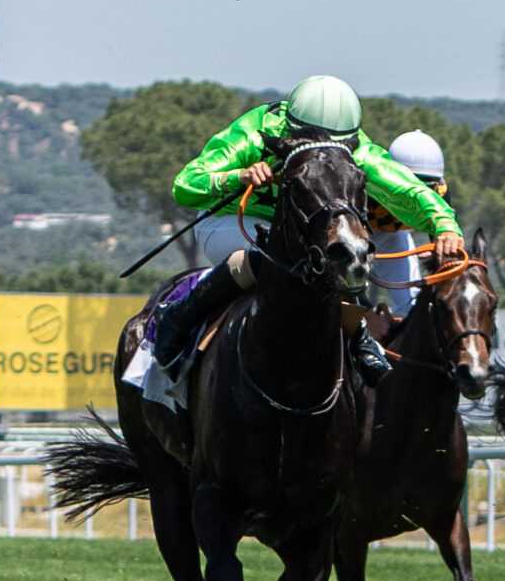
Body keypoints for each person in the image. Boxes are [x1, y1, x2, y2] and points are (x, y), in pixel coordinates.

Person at [149, 76, 461, 384]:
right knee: (279, 254)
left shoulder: (355, 146)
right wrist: (237, 176)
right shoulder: (253, 133)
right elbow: (185, 186)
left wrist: (445, 224)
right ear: (291, 127)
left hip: (293, 229)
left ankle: (352, 338)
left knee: (335, 253)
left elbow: (407, 189)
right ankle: (177, 320)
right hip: (230, 221)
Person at [374, 130, 451, 315]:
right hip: (353, 231)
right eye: (409, 187)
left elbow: (442, 250)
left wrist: (437, 253)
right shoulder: (367, 187)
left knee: (410, 306)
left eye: (425, 188)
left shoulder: (441, 192)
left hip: (390, 235)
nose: (418, 197)